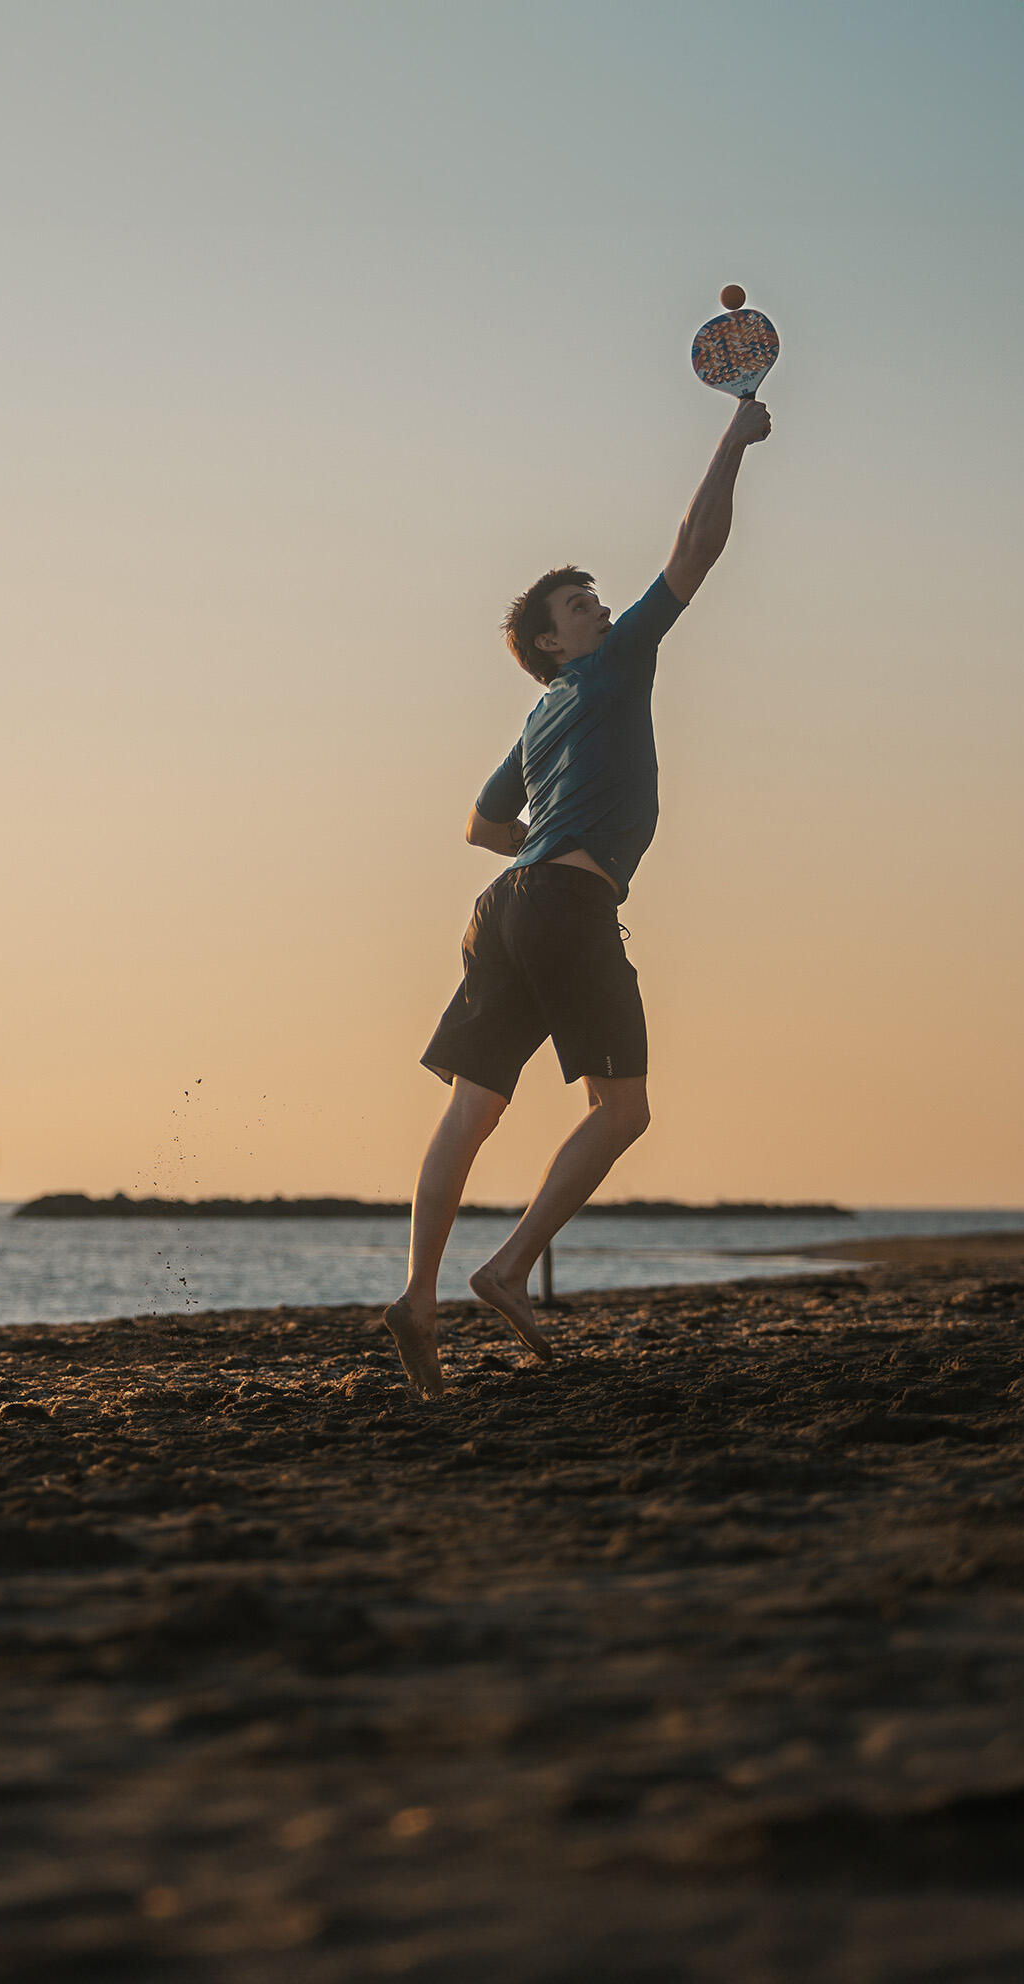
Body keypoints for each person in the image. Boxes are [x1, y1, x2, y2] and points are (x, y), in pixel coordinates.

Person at [380, 395, 773, 1397]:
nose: (599, 608)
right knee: (622, 1108)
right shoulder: (608, 668)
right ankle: (506, 1268)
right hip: (561, 910)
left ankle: (416, 1297)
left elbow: (476, 828)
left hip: (502, 909)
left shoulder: (538, 718)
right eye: (579, 607)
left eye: (595, 600)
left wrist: (543, 848)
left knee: (471, 1107)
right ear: (556, 644)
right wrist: (731, 436)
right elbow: (694, 545)